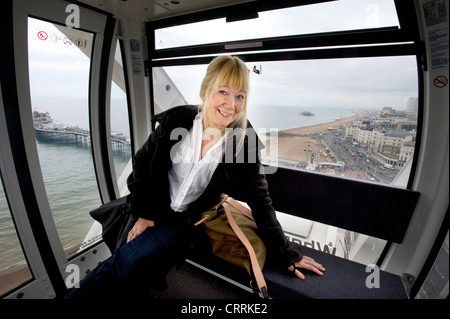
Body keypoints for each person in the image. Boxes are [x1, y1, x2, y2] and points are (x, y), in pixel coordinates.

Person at [66, 55, 324, 299]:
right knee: (126, 260)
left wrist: (287, 254)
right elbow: (142, 163)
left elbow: (260, 200)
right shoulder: (177, 121)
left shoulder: (243, 142)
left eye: (240, 96)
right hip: (152, 204)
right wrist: (144, 213)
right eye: (223, 92)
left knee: (129, 260)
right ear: (205, 91)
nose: (231, 105)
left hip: (184, 219)